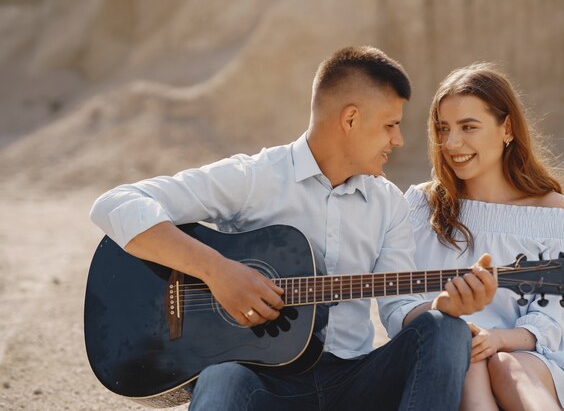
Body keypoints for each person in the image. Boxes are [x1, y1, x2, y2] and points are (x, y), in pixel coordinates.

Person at [90, 46, 497, 411]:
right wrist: (218, 271)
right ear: (351, 119)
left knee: (446, 331)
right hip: (263, 385)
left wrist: (445, 307)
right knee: (220, 377)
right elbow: (115, 204)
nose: (400, 139)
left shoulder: (389, 202)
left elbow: (399, 311)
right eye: (390, 124)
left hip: (353, 384)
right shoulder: (255, 178)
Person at [405, 63, 564, 411]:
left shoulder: (550, 210)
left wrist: (497, 340)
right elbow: (397, 304)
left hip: (523, 355)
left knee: (508, 365)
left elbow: (550, 321)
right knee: (467, 358)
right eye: (443, 129)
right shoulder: (420, 204)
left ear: (506, 128)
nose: (451, 143)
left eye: (468, 127)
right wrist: (462, 334)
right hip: (444, 353)